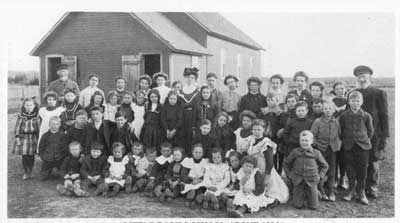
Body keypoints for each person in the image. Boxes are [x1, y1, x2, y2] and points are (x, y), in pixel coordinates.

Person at [353, 65, 389, 199]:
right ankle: (360, 187)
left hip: (374, 134)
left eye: (364, 74)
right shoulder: (353, 93)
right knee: (360, 161)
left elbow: (384, 115)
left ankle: (372, 187)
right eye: (359, 74)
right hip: (357, 134)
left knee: (373, 161)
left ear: (369, 76)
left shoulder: (379, 93)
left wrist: (384, 136)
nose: (361, 76)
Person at [242, 119, 289, 206]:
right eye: (254, 129)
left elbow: (270, 161)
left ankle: (272, 200)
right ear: (252, 130)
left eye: (259, 129)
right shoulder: (250, 139)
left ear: (263, 129)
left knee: (268, 188)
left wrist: (267, 175)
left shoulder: (266, 142)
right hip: (253, 168)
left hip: (264, 168)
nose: (256, 132)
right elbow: (245, 153)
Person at [339, 91, 374, 205]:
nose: (355, 103)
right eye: (353, 101)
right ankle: (351, 190)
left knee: (362, 169)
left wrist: (362, 140)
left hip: (363, 147)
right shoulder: (344, 115)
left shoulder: (366, 115)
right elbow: (341, 130)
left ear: (361, 102)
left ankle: (361, 192)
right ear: (349, 102)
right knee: (350, 168)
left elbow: (370, 132)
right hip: (348, 146)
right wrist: (346, 141)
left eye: (358, 101)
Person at [283, 130, 329, 210]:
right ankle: (302, 195)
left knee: (313, 206)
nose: (304, 143)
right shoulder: (295, 152)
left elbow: (325, 165)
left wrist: (320, 176)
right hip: (298, 180)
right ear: (299, 141)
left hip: (312, 180)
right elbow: (286, 163)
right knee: (297, 205)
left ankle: (315, 193)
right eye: (302, 140)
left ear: (312, 141)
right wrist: (290, 175)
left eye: (307, 140)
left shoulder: (316, 153)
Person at [311, 100, 341, 201]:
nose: (328, 111)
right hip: (321, 149)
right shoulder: (317, 122)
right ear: (322, 110)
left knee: (332, 169)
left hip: (332, 149)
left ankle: (331, 190)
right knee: (321, 169)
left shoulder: (337, 121)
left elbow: (339, 134)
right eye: (326, 109)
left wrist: (337, 144)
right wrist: (317, 145)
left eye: (330, 109)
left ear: (333, 110)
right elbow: (313, 135)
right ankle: (321, 190)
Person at [13, 97, 40, 180]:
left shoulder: (37, 116)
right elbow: (17, 127)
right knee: (24, 156)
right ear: (24, 106)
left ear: (34, 106)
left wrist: (39, 138)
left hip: (33, 137)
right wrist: (17, 137)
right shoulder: (21, 116)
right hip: (23, 137)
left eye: (31, 105)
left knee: (31, 156)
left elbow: (39, 128)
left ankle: (30, 171)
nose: (29, 106)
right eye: (27, 105)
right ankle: (25, 171)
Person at [38, 116, 68, 180]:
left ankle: (55, 170)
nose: (55, 126)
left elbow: (65, 147)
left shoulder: (62, 135)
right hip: (47, 159)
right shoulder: (45, 135)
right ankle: (48, 171)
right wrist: (43, 157)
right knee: (43, 178)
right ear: (49, 124)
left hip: (59, 159)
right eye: (53, 124)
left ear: (59, 125)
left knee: (60, 175)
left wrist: (63, 156)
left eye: (57, 124)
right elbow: (41, 147)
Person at [178, 67, 200, 154]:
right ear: (185, 78)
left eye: (192, 77)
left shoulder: (197, 91)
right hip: (182, 117)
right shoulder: (180, 91)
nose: (190, 79)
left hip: (193, 117)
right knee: (182, 137)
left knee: (192, 138)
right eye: (188, 77)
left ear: (195, 79)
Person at [331, 81, 348, 189]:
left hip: (346, 132)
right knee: (335, 157)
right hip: (334, 132)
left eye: (342, 88)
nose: (340, 91)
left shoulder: (348, 101)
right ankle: (335, 178)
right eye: (337, 89)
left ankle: (343, 179)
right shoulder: (331, 101)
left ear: (345, 90)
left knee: (344, 157)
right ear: (334, 90)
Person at [260, 93, 282, 172]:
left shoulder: (279, 112)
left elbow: (281, 123)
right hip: (266, 135)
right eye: (268, 100)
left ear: (277, 101)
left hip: (276, 135)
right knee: (269, 154)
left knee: (278, 154)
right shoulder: (263, 111)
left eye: (272, 100)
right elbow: (260, 122)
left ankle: (278, 170)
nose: (270, 102)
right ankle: (270, 171)